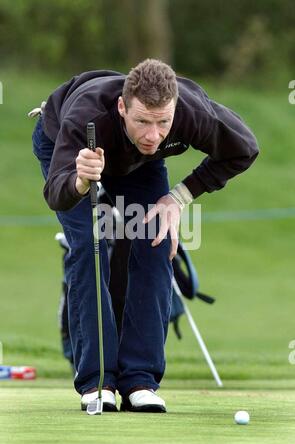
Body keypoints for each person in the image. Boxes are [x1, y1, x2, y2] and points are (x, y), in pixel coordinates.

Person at [31, 58, 259, 413]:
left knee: (156, 243)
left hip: (140, 166)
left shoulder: (190, 113)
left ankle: (140, 380)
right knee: (88, 244)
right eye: (142, 121)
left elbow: (243, 148)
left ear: (175, 109)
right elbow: (56, 194)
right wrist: (80, 180)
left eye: (163, 122)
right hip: (72, 152)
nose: (153, 134)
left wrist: (178, 198)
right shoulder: (85, 116)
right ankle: (97, 381)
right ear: (123, 107)